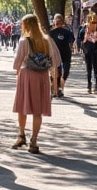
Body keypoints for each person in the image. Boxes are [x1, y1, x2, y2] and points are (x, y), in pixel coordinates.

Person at [11, 14, 62, 154]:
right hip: (42, 78)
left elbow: (17, 62)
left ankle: (21, 135)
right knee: (37, 111)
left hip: (27, 75)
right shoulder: (47, 41)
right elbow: (55, 61)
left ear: (26, 25)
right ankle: (34, 140)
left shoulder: (24, 41)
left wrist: (17, 71)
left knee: (23, 107)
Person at [49, 14, 76, 98]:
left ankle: (59, 86)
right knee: (56, 73)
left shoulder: (67, 32)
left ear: (62, 21)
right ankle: (56, 89)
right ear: (54, 22)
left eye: (59, 20)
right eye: (56, 21)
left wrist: (71, 47)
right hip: (55, 55)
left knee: (65, 72)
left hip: (66, 55)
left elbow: (71, 41)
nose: (58, 22)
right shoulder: (51, 33)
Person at [80, 12, 97, 93]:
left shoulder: (85, 29)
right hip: (96, 50)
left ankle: (89, 85)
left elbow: (82, 40)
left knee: (89, 68)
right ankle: (95, 84)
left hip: (88, 50)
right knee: (95, 67)